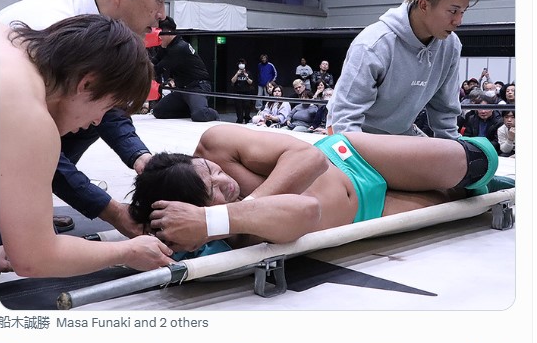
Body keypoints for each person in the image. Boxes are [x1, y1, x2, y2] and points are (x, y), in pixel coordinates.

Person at [0, 0, 178, 237]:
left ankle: (27, 200)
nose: (162, 14)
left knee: (87, 114)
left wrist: (139, 156)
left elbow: (104, 104)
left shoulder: (98, 30)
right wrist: (112, 211)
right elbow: (32, 143)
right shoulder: (50, 30)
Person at [129, 125, 506, 252]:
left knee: (478, 161)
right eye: (212, 190)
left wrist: (237, 209)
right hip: (366, 213)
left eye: (213, 173)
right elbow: (307, 211)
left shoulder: (217, 145)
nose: (225, 182)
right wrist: (214, 223)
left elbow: (309, 158)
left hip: (352, 158)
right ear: (190, 208)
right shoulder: (213, 236)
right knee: (469, 199)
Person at [0, 15, 174, 277]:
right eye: (106, 107)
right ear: (87, 83)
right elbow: (34, 259)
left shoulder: (8, 38)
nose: (97, 121)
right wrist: (127, 251)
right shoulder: (29, 115)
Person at [328, 0, 483, 139]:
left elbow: (445, 111)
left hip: (400, 131)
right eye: (453, 11)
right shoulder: (373, 44)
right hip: (352, 131)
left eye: (463, 12)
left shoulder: (451, 45)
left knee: (457, 154)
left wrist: (452, 149)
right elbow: (345, 117)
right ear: (423, 5)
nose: (458, 21)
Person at [150, 17, 219, 121]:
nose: (158, 37)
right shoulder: (166, 46)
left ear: (168, 32)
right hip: (182, 89)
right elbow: (154, 61)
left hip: (197, 87)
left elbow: (157, 70)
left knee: (199, 115)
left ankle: (213, 114)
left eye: (159, 34)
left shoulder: (179, 48)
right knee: (158, 111)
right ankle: (192, 108)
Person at [230, 59, 254, 124]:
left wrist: (246, 76)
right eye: (240, 63)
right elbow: (232, 81)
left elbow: (251, 82)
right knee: (238, 107)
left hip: (247, 92)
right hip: (238, 92)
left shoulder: (248, 72)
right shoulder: (235, 72)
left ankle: (247, 119)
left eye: (242, 63)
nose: (241, 65)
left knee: (247, 106)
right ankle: (239, 119)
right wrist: (237, 74)